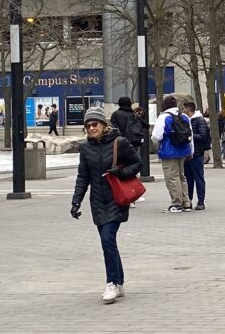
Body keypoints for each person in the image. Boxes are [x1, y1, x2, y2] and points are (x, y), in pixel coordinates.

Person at [71, 106, 140, 304]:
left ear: (104, 124)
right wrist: (76, 201)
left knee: (107, 239)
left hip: (116, 199)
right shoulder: (85, 148)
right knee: (108, 242)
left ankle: (111, 282)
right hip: (97, 201)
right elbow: (83, 177)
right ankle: (119, 282)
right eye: (88, 125)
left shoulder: (120, 142)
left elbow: (137, 163)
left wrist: (120, 172)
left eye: (95, 124)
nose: (92, 128)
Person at [151, 95, 194, 212]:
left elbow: (156, 136)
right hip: (183, 150)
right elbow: (190, 135)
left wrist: (157, 144)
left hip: (169, 151)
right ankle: (186, 202)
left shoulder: (163, 117)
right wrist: (191, 151)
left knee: (172, 177)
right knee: (182, 176)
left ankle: (176, 203)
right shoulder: (184, 116)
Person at [184, 98, 210, 211]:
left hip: (197, 154)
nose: (182, 110)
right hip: (187, 155)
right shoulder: (185, 120)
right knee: (188, 179)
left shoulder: (199, 120)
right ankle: (188, 200)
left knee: (198, 178)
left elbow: (203, 136)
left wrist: (189, 135)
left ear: (189, 109)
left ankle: (201, 201)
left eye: (184, 108)